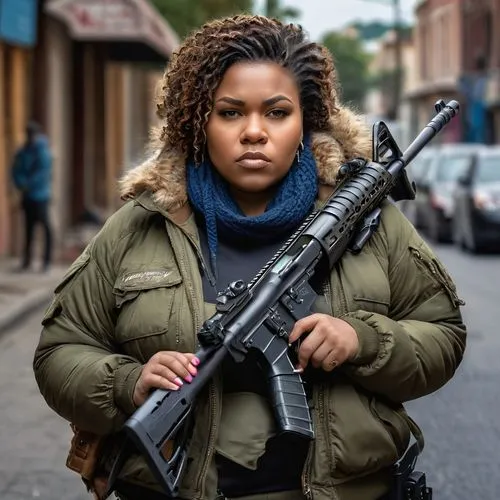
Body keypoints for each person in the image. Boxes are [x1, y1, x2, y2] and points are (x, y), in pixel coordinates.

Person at [33, 15, 467, 500]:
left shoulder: (369, 220)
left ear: (306, 120)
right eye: (231, 112)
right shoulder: (140, 225)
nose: (254, 132)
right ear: (199, 121)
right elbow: (59, 352)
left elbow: (443, 335)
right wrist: (129, 384)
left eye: (277, 113)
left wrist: (362, 340)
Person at [11, 121, 53, 272]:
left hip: (41, 196)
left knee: (45, 227)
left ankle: (46, 261)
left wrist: (28, 184)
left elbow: (43, 173)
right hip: (28, 196)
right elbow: (15, 170)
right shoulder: (23, 152)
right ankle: (27, 260)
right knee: (28, 228)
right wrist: (20, 183)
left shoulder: (42, 151)